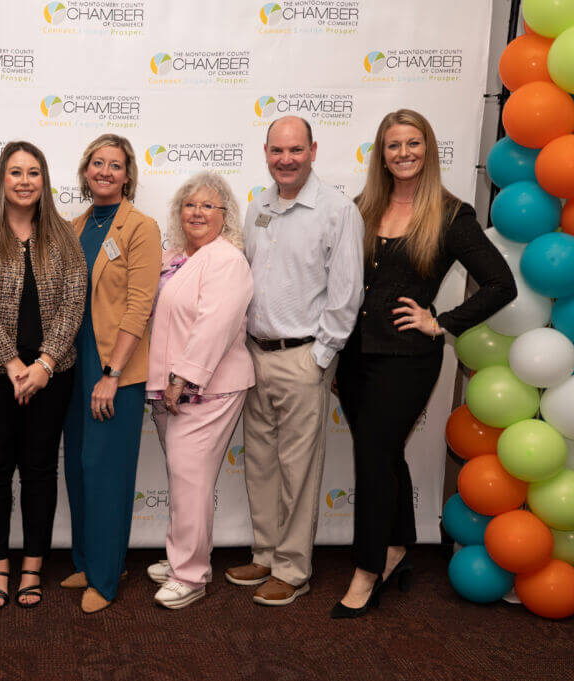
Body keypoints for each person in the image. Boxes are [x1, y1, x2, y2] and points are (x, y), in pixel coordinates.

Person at [331, 110, 516, 618]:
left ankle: (367, 569)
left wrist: (441, 322)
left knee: (373, 459)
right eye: (394, 145)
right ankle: (397, 547)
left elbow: (501, 284)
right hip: (355, 355)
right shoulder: (362, 208)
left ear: (428, 149)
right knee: (386, 454)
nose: (404, 153)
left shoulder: (452, 215)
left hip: (407, 360)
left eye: (413, 143)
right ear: (382, 154)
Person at [226, 116, 364, 607]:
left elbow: (347, 292)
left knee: (298, 469)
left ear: (313, 151)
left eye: (296, 150)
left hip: (304, 357)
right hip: (254, 355)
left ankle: (292, 568)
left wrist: (321, 356)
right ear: (266, 152)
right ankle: (265, 554)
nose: (286, 159)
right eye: (277, 150)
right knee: (260, 464)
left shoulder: (337, 210)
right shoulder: (258, 206)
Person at [0, 140, 85, 609]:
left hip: (52, 375)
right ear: (1, 179)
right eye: (16, 172)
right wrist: (11, 363)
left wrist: (44, 364)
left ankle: (32, 565)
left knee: (40, 469)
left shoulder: (63, 234)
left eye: (33, 172)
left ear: (44, 180)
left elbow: (74, 300)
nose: (25, 181)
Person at [60, 134, 162, 613]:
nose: (105, 171)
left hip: (113, 371)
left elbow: (140, 306)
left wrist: (113, 372)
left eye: (115, 165)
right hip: (74, 365)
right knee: (80, 469)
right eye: (97, 163)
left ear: (127, 176)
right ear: (86, 172)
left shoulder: (141, 227)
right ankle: (89, 561)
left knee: (106, 474)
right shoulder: (75, 226)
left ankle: (105, 579)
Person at [144, 172, 254, 610]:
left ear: (226, 215)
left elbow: (215, 326)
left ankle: (190, 575)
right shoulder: (172, 257)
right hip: (167, 390)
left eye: (209, 205)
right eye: (190, 204)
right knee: (185, 479)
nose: (197, 212)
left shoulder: (227, 259)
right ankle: (183, 557)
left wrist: (181, 379)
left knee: (190, 480)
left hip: (206, 389)